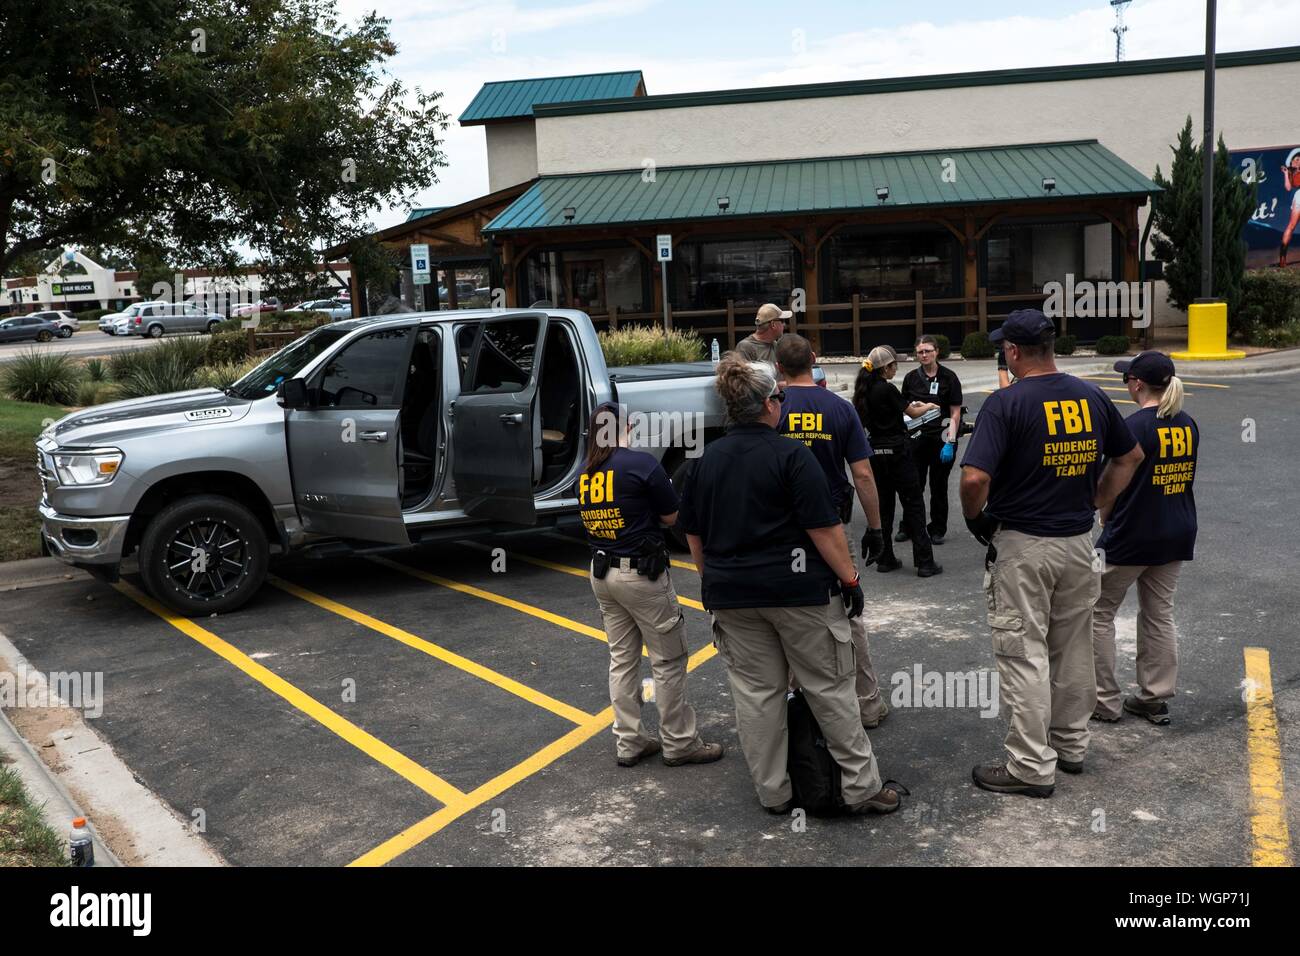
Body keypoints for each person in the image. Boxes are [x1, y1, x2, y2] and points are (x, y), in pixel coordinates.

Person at [678, 355, 904, 816]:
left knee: (757, 696)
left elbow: (694, 535)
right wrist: (850, 578)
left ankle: (774, 793)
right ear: (767, 405)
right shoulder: (792, 457)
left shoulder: (704, 463)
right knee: (829, 689)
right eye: (778, 398)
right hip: (799, 594)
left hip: (733, 596)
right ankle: (860, 788)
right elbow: (825, 530)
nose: (781, 404)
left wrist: (711, 580)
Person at [959, 309, 1145, 798]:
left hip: (1024, 545)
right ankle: (1070, 745)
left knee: (1024, 653)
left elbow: (974, 477)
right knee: (1073, 647)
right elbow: (1129, 457)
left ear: (1015, 352)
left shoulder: (1006, 403)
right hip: (1079, 543)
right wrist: (1098, 500)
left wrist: (976, 518)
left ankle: (1029, 765)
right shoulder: (1091, 395)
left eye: (1005, 348)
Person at [579, 402, 723, 769]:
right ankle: (679, 742)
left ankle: (629, 741)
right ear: (624, 427)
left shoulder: (586, 473)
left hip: (602, 575)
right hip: (640, 576)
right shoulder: (640, 464)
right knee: (668, 659)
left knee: (622, 660)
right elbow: (672, 515)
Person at [775, 333, 889, 727]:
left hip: (782, 528)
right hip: (833, 524)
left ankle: (796, 701)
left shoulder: (772, 409)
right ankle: (867, 703)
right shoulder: (839, 409)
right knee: (848, 612)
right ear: (814, 359)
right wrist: (876, 527)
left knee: (789, 614)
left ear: (778, 368)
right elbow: (863, 474)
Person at [1092, 352, 1198, 726]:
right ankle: (1154, 696)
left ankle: (1104, 700)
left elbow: (1112, 485)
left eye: (1126, 379)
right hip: (1176, 530)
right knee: (1158, 613)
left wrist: (1102, 516)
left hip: (1130, 534)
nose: (1125, 384)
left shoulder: (1133, 426)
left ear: (1136, 384)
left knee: (1096, 611)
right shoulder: (1187, 423)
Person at [852, 346, 943, 577]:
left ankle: (885, 557)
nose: (896, 368)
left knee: (884, 505)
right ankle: (924, 562)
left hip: (876, 452)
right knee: (913, 504)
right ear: (885, 368)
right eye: (894, 365)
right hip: (898, 451)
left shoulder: (864, 390)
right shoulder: (887, 389)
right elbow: (911, 413)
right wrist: (929, 406)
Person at [899, 335, 964, 545]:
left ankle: (937, 528)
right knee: (913, 486)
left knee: (939, 486)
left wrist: (950, 441)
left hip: (941, 439)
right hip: (916, 440)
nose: (924, 355)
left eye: (928, 350)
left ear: (937, 351)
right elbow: (904, 410)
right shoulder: (911, 378)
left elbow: (955, 412)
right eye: (920, 352)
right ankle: (909, 526)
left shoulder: (949, 378)